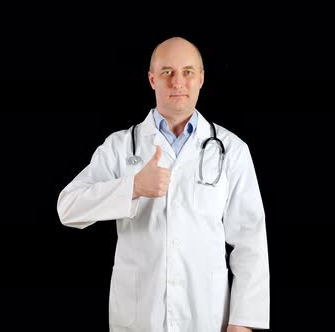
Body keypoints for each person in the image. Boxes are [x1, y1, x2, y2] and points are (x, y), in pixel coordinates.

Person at [56, 37, 269, 332]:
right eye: (167, 72)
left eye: (188, 72)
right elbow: (68, 208)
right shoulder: (120, 147)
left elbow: (250, 240)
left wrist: (243, 322)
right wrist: (132, 187)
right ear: (152, 79)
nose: (178, 82)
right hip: (140, 315)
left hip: (206, 313)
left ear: (201, 79)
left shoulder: (231, 150)